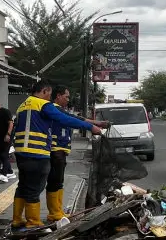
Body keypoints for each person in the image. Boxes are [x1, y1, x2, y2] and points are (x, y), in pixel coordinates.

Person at [13, 79, 102, 229]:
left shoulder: (22, 106)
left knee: (23, 186)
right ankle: (33, 223)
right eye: (49, 94)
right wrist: (90, 127)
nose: (50, 97)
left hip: (21, 153)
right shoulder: (42, 105)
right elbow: (65, 119)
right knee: (35, 189)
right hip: (37, 153)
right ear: (45, 91)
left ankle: (17, 219)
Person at [45, 85, 79, 223]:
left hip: (61, 150)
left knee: (59, 181)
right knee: (55, 181)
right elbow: (74, 119)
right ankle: (54, 213)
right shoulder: (54, 109)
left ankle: (58, 210)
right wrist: (93, 124)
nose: (68, 99)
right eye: (66, 96)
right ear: (58, 96)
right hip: (55, 150)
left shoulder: (60, 110)